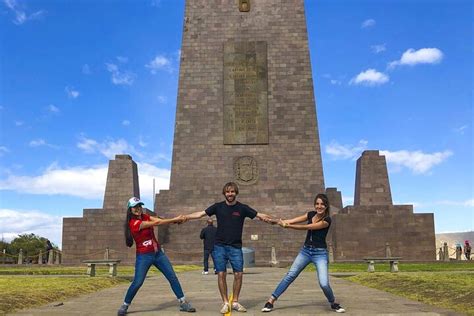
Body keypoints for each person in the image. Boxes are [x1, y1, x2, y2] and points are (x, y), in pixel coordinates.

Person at [183, 182, 273, 314]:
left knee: (239, 274)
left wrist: (277, 221)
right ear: (224, 193)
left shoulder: (242, 208)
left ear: (236, 193)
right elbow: (200, 214)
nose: (230, 194)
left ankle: (235, 302)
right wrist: (185, 217)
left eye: (232, 192)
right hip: (219, 246)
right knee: (221, 273)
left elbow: (260, 215)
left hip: (235, 247)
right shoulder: (218, 207)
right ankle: (225, 302)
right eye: (227, 192)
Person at [261, 193, 346, 313]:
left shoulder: (327, 220)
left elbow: (308, 227)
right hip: (306, 251)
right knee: (290, 275)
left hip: (320, 254)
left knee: (324, 283)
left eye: (322, 204)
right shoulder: (310, 214)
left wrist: (288, 226)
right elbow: (290, 220)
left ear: (326, 206)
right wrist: (273, 221)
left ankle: (333, 302)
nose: (319, 206)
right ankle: (270, 301)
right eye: (317, 204)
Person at [117, 197, 196, 315]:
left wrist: (176, 220)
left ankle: (183, 302)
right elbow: (157, 223)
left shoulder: (145, 216)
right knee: (137, 282)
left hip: (158, 254)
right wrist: (176, 218)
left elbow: (158, 219)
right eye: (135, 207)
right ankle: (125, 305)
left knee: (172, 277)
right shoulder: (134, 223)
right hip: (144, 256)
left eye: (139, 206)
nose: (138, 209)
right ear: (130, 209)